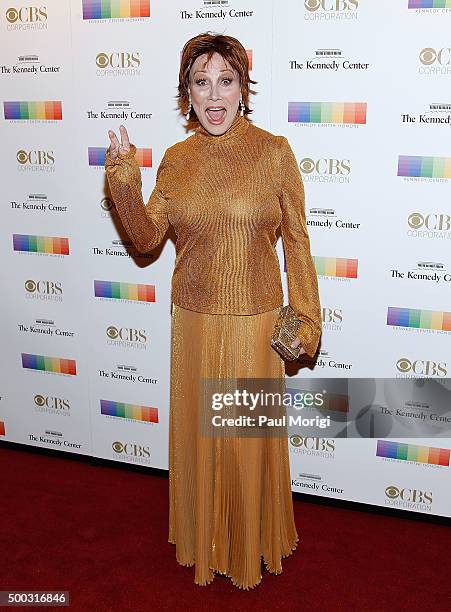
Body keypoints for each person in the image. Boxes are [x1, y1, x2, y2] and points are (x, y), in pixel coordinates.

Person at [104, 32, 322, 590]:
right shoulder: (177, 161)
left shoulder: (274, 152)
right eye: (201, 83)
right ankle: (205, 540)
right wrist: (124, 184)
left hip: (256, 326)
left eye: (226, 80)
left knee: (245, 445)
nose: (215, 95)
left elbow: (296, 242)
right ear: (187, 95)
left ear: (243, 87)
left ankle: (251, 543)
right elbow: (146, 239)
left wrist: (307, 319)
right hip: (195, 324)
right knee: (204, 443)